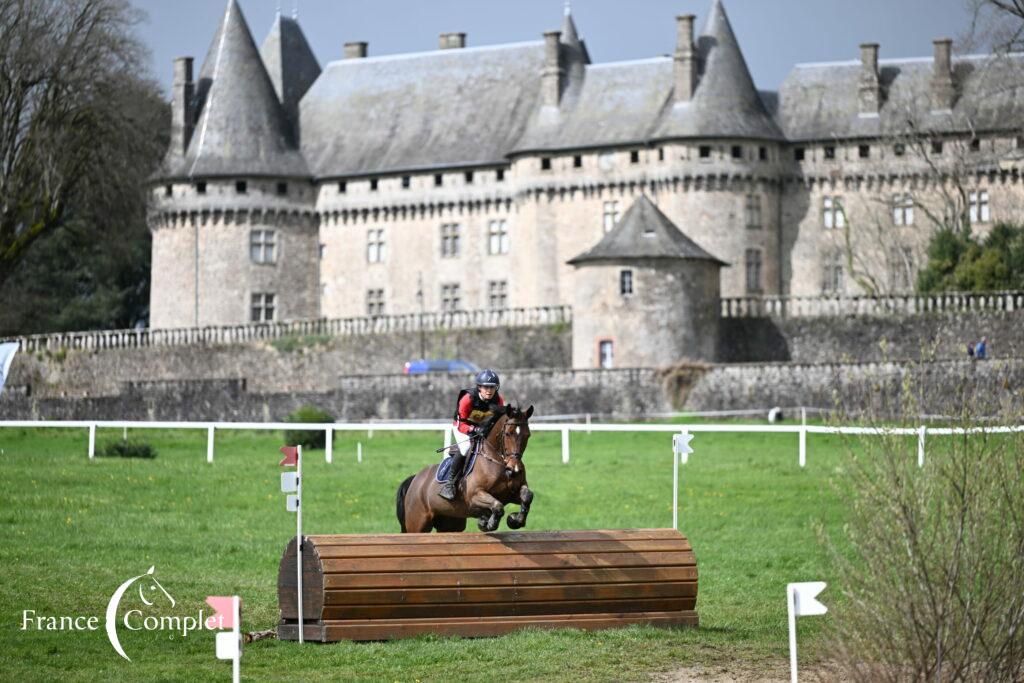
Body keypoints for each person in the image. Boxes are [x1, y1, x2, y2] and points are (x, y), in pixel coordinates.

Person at [439, 369, 505, 501]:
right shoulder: (467, 399)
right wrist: (473, 429)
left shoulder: (499, 401)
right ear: (479, 387)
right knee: (465, 448)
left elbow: (498, 422)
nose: (489, 390)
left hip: (482, 428)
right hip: (462, 427)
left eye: (492, 387)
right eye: (486, 387)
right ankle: (449, 484)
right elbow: (461, 424)